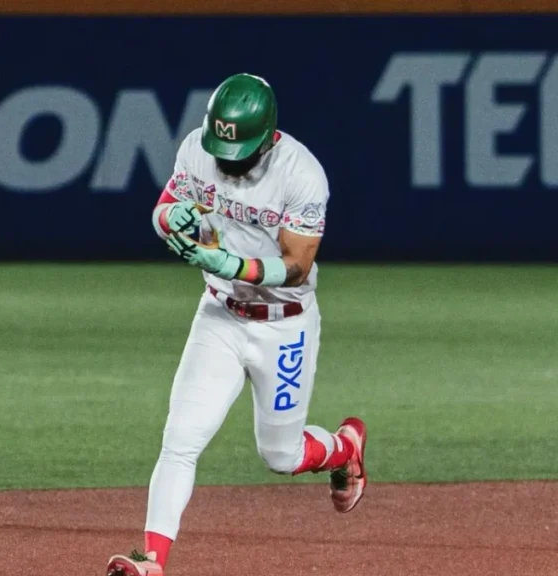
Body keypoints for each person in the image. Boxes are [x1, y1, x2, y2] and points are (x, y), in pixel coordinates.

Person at [106, 73, 367, 576]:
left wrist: (232, 264)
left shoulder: (302, 175)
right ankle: (151, 562)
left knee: (281, 456)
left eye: (241, 147)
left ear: (269, 137)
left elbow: (297, 265)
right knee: (180, 440)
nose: (227, 157)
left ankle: (344, 448)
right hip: (219, 315)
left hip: (283, 325)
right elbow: (166, 207)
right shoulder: (197, 150)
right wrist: (171, 224)